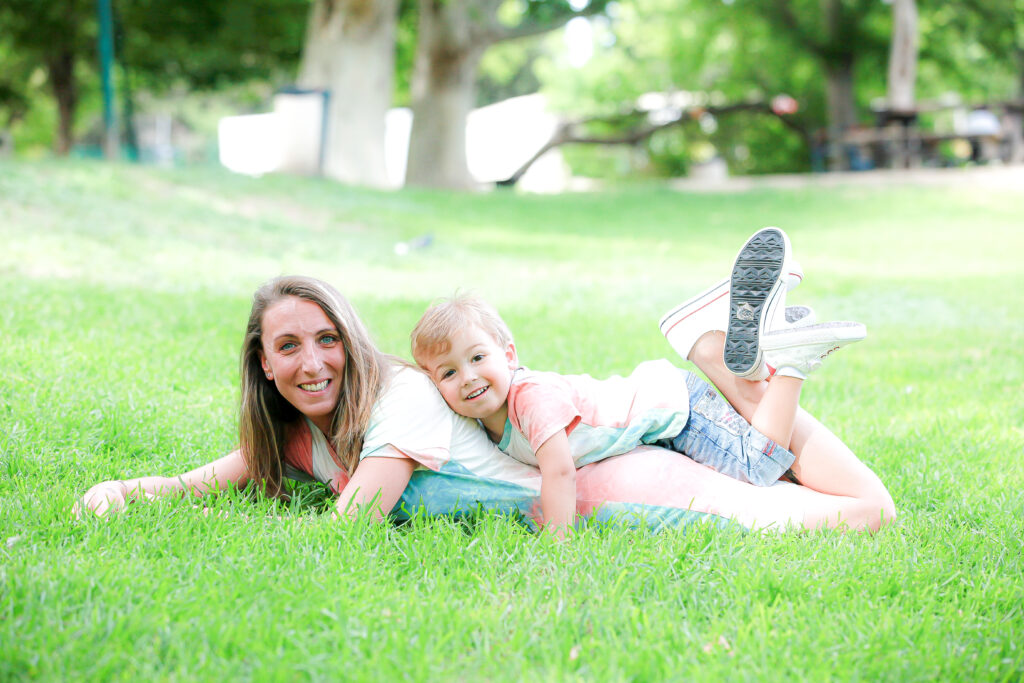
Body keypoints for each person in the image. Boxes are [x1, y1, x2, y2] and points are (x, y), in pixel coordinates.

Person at [75, 274, 895, 533]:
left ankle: (733, 360)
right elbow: (239, 467)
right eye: (287, 346)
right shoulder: (304, 433)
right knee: (856, 502)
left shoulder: (398, 402)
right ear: (261, 362)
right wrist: (132, 489)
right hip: (629, 459)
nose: (312, 360)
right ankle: (727, 356)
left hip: (645, 487)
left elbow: (352, 524)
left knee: (870, 511)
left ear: (353, 340)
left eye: (326, 338)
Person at [410, 228, 869, 535]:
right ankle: (733, 349)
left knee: (760, 466)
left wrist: (558, 542)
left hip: (676, 411)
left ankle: (781, 360)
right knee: (756, 454)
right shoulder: (480, 420)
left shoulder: (531, 399)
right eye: (448, 372)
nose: (467, 377)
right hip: (663, 416)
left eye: (477, 358)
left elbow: (560, 471)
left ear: (509, 356)